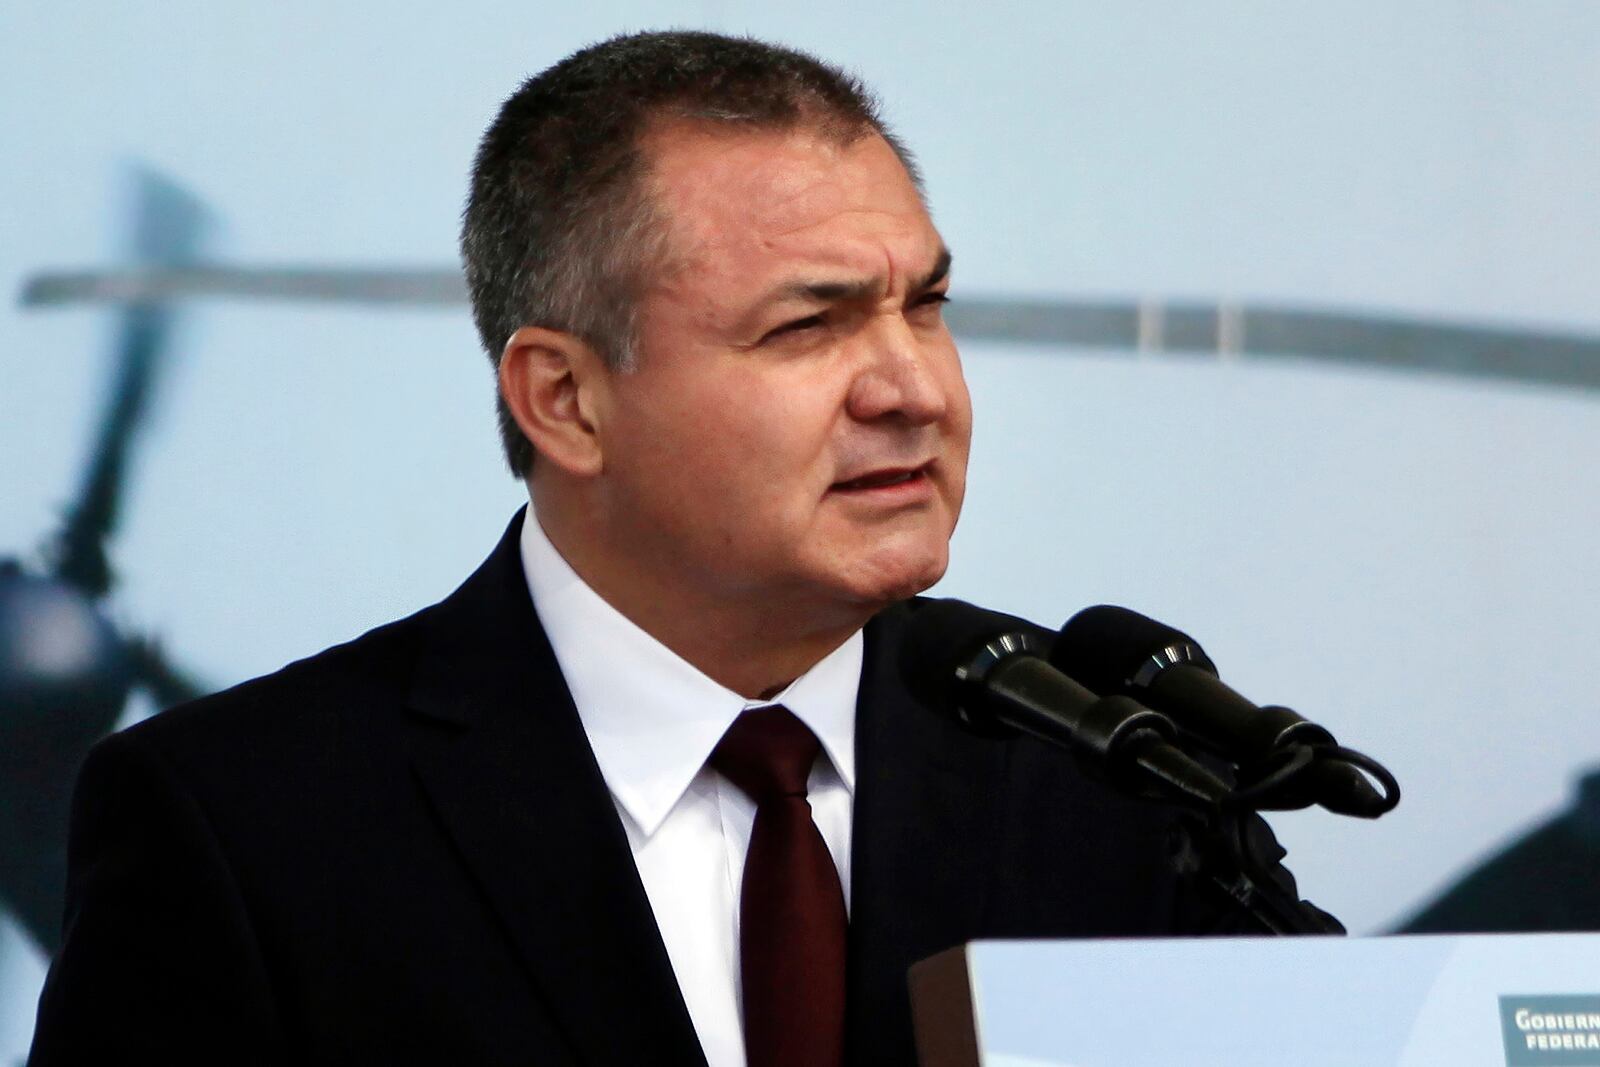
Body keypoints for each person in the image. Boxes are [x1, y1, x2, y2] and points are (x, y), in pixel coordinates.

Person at [29, 31, 1304, 1067]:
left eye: (925, 306)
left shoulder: (1112, 781)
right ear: (566, 401)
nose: (914, 388)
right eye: (809, 327)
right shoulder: (245, 823)